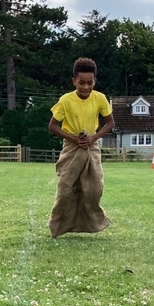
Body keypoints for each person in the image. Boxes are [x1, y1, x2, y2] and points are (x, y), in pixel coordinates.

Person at [46, 57, 115, 238]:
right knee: (66, 188)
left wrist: (93, 138)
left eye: (89, 83)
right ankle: (59, 226)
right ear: (74, 81)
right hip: (71, 147)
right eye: (81, 83)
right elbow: (53, 126)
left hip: (91, 147)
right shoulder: (66, 100)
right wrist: (74, 139)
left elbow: (109, 123)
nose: (85, 87)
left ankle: (92, 222)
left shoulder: (99, 98)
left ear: (94, 81)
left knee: (94, 188)